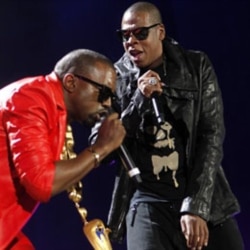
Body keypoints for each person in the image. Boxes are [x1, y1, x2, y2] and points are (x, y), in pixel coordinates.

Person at [104, 2, 245, 250]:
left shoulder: (195, 66)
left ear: (160, 32)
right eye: (124, 35)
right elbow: (106, 147)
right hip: (148, 201)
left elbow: (211, 137)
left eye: (140, 33)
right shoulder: (114, 79)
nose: (131, 42)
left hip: (198, 195)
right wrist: (139, 100)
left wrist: (196, 206)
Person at [0, 48, 126, 249]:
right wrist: (101, 148)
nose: (107, 104)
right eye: (103, 93)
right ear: (71, 82)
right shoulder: (30, 99)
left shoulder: (50, 105)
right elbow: (42, 183)